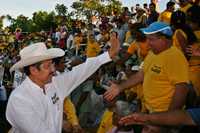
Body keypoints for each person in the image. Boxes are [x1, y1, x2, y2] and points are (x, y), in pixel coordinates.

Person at [6, 36, 120, 133]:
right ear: (33, 70)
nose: (53, 70)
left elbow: (79, 72)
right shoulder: (20, 99)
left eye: (52, 64)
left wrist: (108, 55)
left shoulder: (54, 83)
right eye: (47, 66)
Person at [104, 22, 189, 133]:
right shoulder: (152, 53)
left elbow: (181, 90)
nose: (148, 43)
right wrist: (120, 87)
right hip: (150, 112)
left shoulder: (175, 57)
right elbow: (141, 75)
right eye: (147, 39)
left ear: (163, 39)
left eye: (151, 39)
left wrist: (167, 121)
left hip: (163, 115)